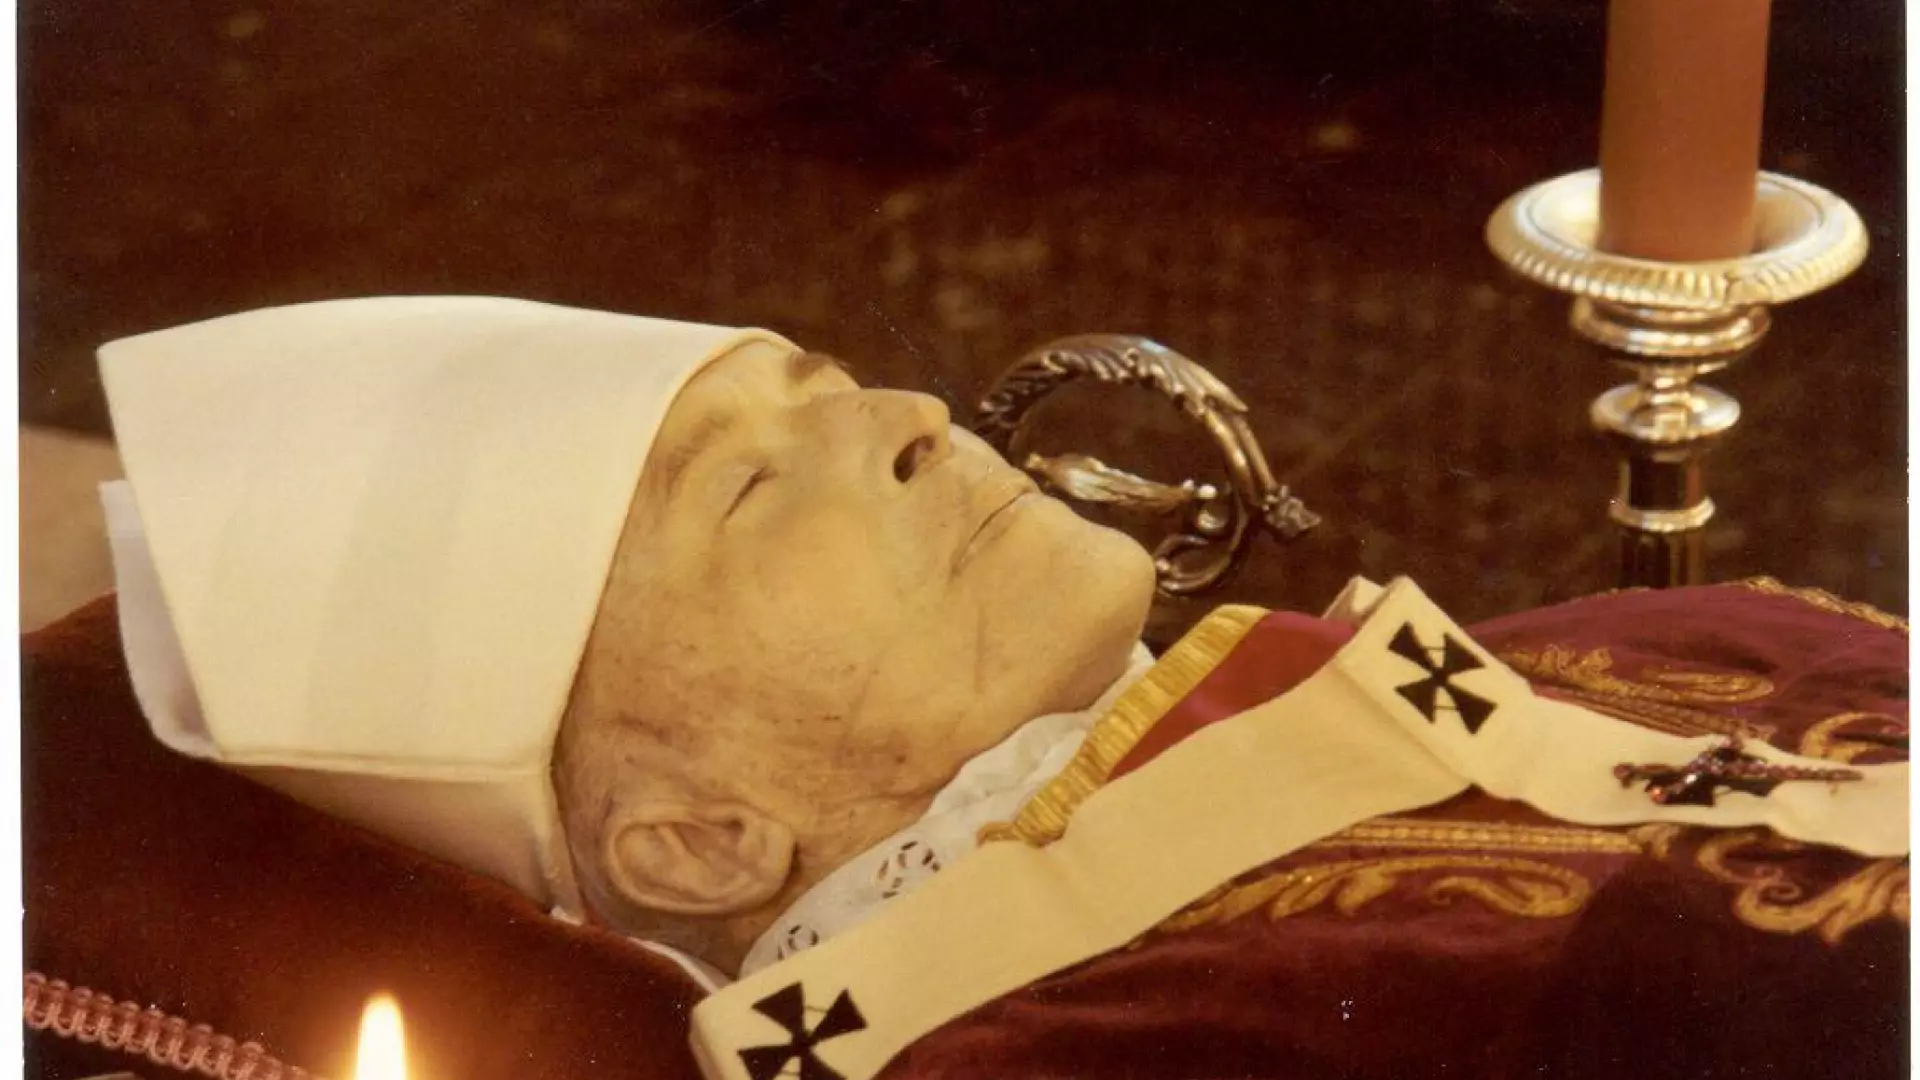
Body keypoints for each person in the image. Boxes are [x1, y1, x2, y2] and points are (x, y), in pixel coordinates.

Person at [101, 297, 1907, 1080]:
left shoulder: (1570, 648)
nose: (906, 415)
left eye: (831, 386)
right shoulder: (1074, 1050)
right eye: (744, 487)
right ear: (703, 839)